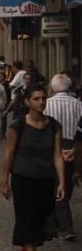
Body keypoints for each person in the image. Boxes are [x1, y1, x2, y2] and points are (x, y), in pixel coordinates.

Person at [0, 85, 66, 251]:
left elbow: (57, 155)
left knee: (42, 219)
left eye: (43, 98)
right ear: (27, 102)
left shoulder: (54, 125)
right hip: (23, 178)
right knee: (26, 216)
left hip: (45, 179)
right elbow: (8, 154)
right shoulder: (17, 126)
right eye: (36, 99)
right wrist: (4, 181)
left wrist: (62, 182)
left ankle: (23, 248)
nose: (41, 102)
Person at [43, 74, 82, 240]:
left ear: (52, 88)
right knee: (66, 184)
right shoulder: (79, 104)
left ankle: (64, 225)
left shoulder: (46, 103)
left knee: (55, 186)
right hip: (75, 148)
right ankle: (59, 221)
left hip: (53, 147)